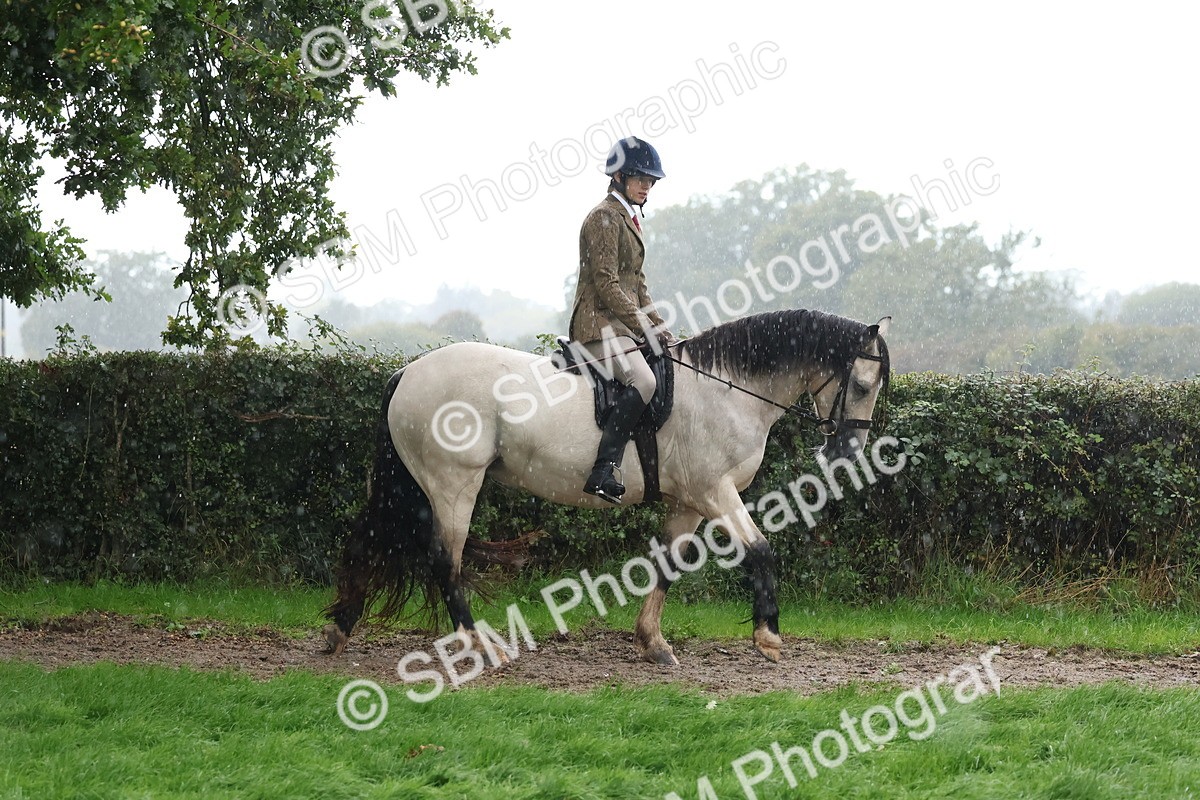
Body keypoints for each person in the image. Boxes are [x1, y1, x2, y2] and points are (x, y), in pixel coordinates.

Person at [568, 136, 676, 504]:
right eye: (641, 178)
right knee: (644, 380)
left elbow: (637, 284)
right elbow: (606, 283)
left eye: (651, 181)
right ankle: (604, 468)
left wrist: (659, 326)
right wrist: (641, 325)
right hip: (597, 322)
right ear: (618, 177)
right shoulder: (603, 218)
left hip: (620, 323)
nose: (647, 186)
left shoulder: (627, 219)